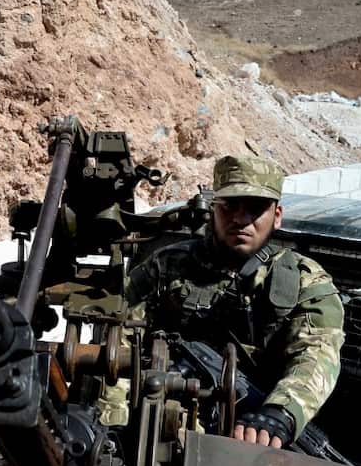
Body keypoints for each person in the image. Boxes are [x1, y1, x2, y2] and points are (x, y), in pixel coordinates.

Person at [125, 155, 344, 448]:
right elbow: (122, 335)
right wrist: (117, 416)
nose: (240, 219)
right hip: (157, 424)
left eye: (255, 209)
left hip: (249, 437)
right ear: (213, 209)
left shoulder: (305, 280)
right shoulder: (166, 266)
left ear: (277, 215)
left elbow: (317, 355)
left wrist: (279, 413)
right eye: (229, 206)